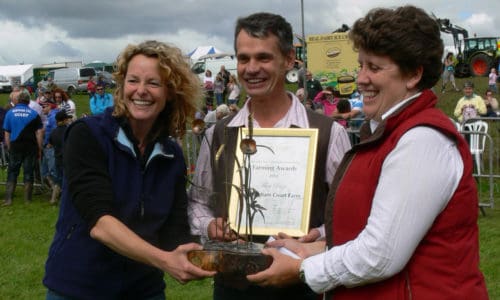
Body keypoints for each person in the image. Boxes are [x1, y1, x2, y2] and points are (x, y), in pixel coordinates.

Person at [246, 6, 488, 299]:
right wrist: (316, 245)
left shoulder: (422, 140)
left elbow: (380, 254)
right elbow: (376, 227)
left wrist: (303, 269)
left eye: (374, 67)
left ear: (413, 74)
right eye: (361, 65)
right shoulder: (390, 132)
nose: (360, 79)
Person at [188, 12, 351, 300]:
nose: (251, 69)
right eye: (243, 58)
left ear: (289, 60)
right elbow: (198, 202)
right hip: (233, 287)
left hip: (303, 285)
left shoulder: (329, 133)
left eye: (263, 57)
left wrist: (319, 233)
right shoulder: (217, 135)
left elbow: (351, 213)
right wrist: (209, 225)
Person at [43, 40, 215, 299]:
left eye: (154, 83)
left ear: (170, 92)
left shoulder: (172, 155)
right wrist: (164, 260)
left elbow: (174, 232)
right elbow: (101, 223)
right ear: (122, 85)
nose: (141, 91)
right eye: (133, 80)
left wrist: (215, 242)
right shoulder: (88, 135)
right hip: (79, 288)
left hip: (144, 289)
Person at [2, 91, 43, 206]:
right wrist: (39, 148)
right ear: (29, 101)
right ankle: (27, 200)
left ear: (18, 100)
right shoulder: (34, 114)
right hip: (30, 146)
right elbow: (39, 132)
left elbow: (7, 132)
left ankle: (8, 199)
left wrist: (9, 147)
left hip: (15, 145)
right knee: (28, 172)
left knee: (12, 172)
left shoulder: (10, 113)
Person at [47, 110, 72, 205]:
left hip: (58, 159)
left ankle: (53, 199)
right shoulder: (69, 131)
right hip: (68, 158)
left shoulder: (53, 132)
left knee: (58, 179)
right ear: (65, 120)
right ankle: (66, 200)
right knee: (68, 179)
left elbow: (49, 145)